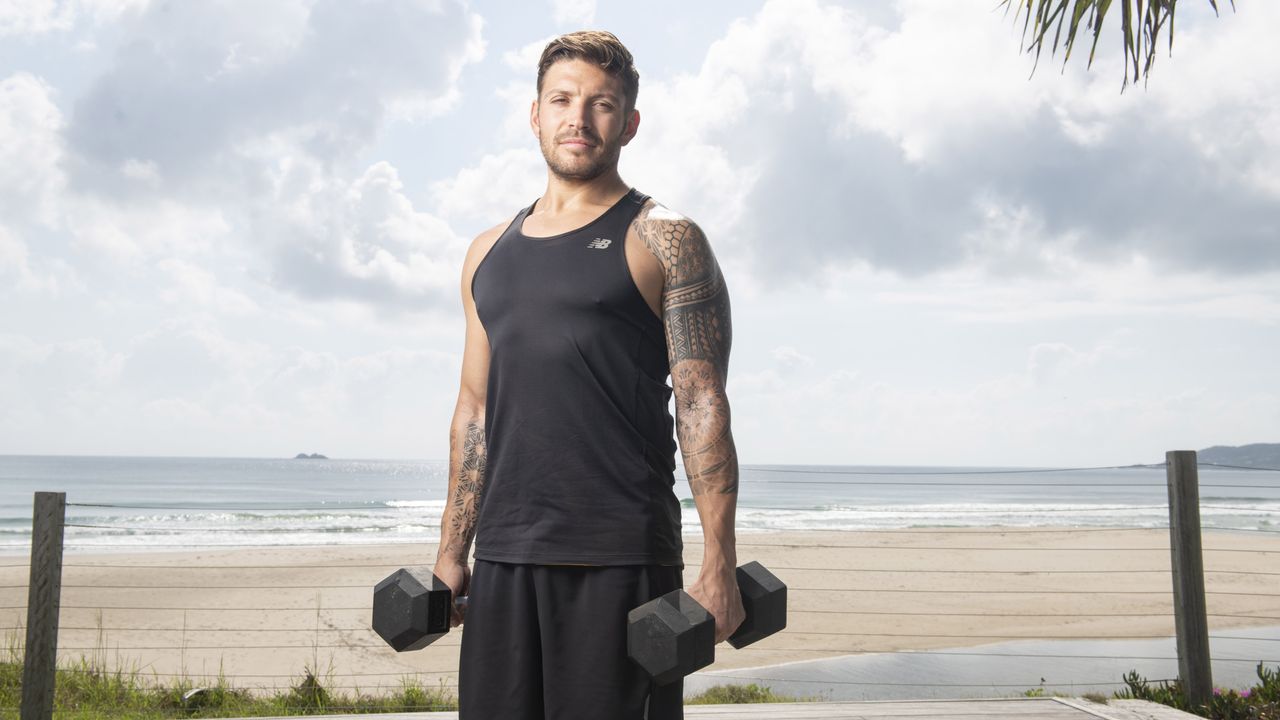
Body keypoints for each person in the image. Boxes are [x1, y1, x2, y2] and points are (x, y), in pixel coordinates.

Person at [432, 30, 743, 720]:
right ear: (535, 114)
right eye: (563, 100)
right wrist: (452, 550)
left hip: (621, 558)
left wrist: (718, 564)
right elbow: (475, 410)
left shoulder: (665, 237)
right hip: (506, 559)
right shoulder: (487, 252)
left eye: (601, 104)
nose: (579, 118)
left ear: (629, 123)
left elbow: (700, 405)